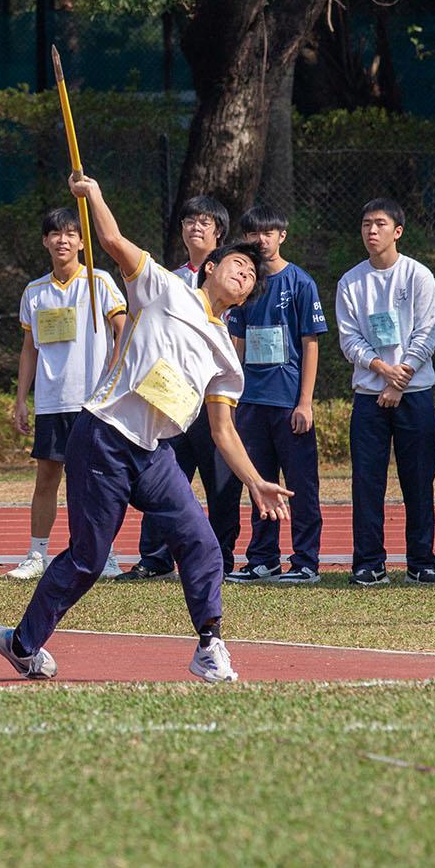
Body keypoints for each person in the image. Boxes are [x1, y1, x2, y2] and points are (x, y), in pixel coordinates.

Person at [0, 172, 292, 682]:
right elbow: (111, 240)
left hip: (154, 454)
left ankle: (209, 645)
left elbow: (223, 431)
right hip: (103, 436)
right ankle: (22, 643)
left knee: (201, 542)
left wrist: (256, 481)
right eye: (238, 265)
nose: (244, 275)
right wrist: (94, 194)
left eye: (250, 278)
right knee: (88, 558)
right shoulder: (165, 288)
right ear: (211, 267)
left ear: (245, 299)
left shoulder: (227, 357)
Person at [117, 194, 242, 580]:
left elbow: (236, 343)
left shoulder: (235, 281)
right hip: (170, 400)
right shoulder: (168, 280)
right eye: (190, 221)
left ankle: (221, 559)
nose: (196, 227)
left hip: (213, 401)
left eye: (205, 222)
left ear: (219, 233)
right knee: (162, 478)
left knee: (222, 483)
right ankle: (155, 559)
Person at [7, 208, 128, 581]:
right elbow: (29, 349)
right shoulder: (34, 291)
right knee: (46, 479)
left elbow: (123, 329)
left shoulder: (99, 281)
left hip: (92, 403)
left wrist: (113, 378)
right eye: (56, 234)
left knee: (94, 481)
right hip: (51, 402)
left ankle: (105, 554)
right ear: (46, 241)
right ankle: (36, 554)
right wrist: (21, 399)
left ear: (82, 242)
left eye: (71, 234)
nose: (63, 240)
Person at [335, 198, 435, 586]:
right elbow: (350, 340)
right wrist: (383, 371)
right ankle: (369, 563)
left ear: (398, 231)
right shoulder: (350, 282)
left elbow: (427, 335)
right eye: (366, 224)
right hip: (369, 396)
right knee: (367, 482)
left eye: (380, 224)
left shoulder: (418, 276)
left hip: (415, 393)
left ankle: (421, 562)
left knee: (418, 480)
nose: (372, 231)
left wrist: (400, 381)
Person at [224, 205, 328, 584]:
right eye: (253, 234)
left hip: (288, 402)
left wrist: (305, 402)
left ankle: (305, 561)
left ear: (282, 236)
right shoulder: (245, 284)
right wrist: (231, 395)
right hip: (252, 402)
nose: (261, 240)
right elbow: (236, 343)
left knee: (301, 485)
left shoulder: (300, 283)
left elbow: (310, 343)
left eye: (268, 233)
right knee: (258, 482)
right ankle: (263, 559)